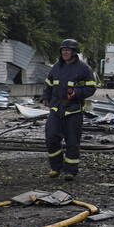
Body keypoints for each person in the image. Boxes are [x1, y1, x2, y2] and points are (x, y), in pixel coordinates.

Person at [41, 39, 98, 180]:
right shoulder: (56, 67)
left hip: (73, 111)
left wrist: (77, 93)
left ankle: (70, 171)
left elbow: (91, 87)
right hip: (56, 109)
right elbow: (48, 84)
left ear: (74, 52)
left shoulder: (84, 69)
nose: (65, 52)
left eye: (68, 50)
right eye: (63, 50)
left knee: (72, 142)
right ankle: (56, 167)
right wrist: (45, 97)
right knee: (51, 138)